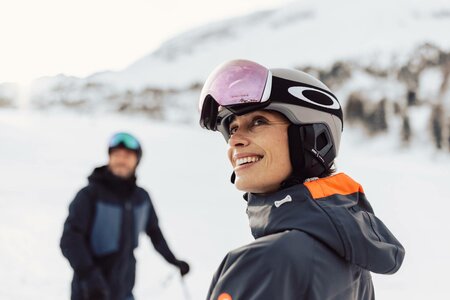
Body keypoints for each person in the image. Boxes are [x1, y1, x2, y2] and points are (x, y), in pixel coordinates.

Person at [199, 59, 405, 300]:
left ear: (310, 137)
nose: (234, 140)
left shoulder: (267, 262)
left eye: (258, 122)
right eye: (232, 129)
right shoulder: (350, 256)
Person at [60, 132, 189, 300]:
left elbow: (154, 232)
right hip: (89, 291)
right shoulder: (90, 194)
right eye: (116, 155)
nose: (121, 159)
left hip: (124, 289)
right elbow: (70, 239)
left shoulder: (141, 198)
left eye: (127, 156)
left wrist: (173, 260)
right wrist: (90, 277)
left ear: (137, 161)